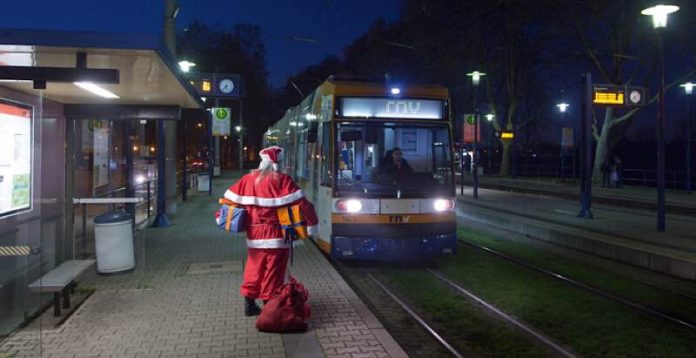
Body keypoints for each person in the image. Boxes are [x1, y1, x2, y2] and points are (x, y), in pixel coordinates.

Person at [223, 146, 318, 316]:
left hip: (254, 234)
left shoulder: (247, 179)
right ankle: (270, 306)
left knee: (254, 267)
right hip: (277, 235)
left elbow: (229, 200)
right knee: (273, 271)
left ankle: (249, 304)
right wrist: (311, 225)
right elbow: (303, 205)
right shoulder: (283, 180)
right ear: (278, 163)